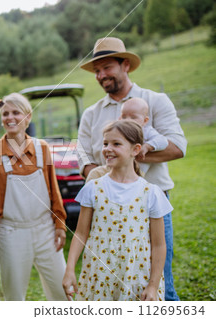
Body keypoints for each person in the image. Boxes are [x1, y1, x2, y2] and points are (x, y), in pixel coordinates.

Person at [76, 37, 187, 301]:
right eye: (97, 71)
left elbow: (177, 147)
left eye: (106, 68)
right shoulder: (91, 114)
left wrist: (133, 160)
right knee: (112, 279)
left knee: (159, 281)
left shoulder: (154, 101)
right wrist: (102, 178)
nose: (101, 75)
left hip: (152, 205)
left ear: (125, 64)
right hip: (106, 210)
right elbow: (82, 155)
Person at [63, 120, 169, 301]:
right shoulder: (92, 188)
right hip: (98, 277)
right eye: (105, 143)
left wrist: (152, 285)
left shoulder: (151, 193)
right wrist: (70, 269)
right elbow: (81, 233)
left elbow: (159, 245)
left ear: (135, 150)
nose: (107, 149)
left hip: (137, 277)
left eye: (116, 144)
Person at [0, 92, 67, 301]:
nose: (10, 118)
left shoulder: (41, 148)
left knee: (62, 292)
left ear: (28, 117)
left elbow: (53, 191)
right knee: (14, 297)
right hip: (12, 233)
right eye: (5, 114)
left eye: (16, 112)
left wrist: (60, 224)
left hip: (46, 230)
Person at [86, 97, 168, 182]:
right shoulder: (118, 132)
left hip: (138, 174)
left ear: (145, 120)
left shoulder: (147, 131)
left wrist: (147, 146)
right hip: (116, 170)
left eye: (133, 117)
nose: (128, 120)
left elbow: (163, 141)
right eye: (124, 117)